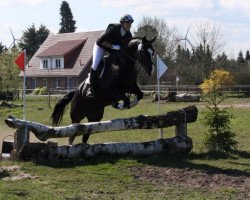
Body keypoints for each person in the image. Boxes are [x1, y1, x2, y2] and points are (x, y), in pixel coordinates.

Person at [86, 14, 134, 98]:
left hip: (112, 49)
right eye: (128, 23)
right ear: (122, 23)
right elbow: (101, 41)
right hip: (101, 46)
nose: (129, 25)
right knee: (95, 64)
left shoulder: (128, 35)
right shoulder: (113, 28)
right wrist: (113, 46)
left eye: (131, 23)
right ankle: (91, 87)